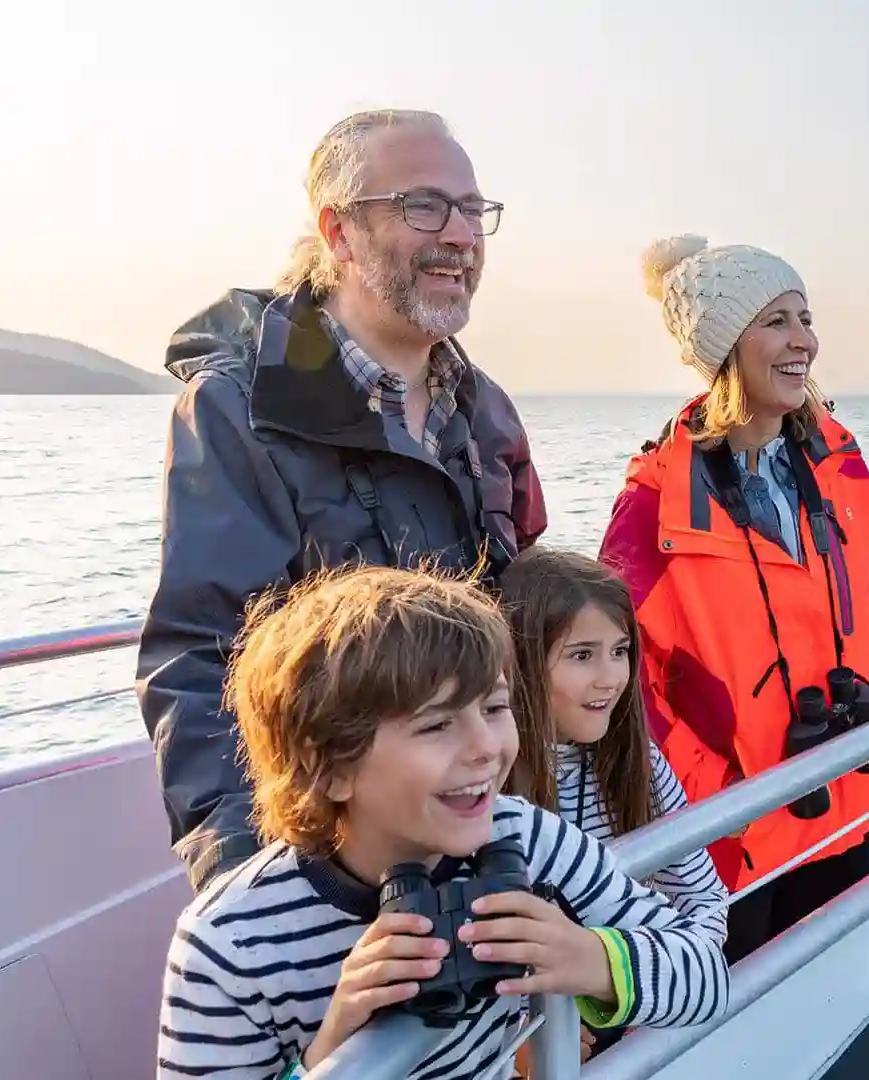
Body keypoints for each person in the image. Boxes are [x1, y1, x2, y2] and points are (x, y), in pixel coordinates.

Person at [136, 108, 547, 893]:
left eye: (472, 210)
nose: (460, 235)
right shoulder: (240, 411)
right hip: (343, 866)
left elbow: (524, 622)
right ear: (339, 231)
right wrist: (252, 883)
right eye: (424, 205)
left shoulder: (485, 410)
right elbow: (199, 659)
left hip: (486, 838)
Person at [599, 235, 869, 962]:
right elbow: (622, 673)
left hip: (847, 801)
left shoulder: (836, 459)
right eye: (778, 321)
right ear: (726, 347)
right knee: (728, 1023)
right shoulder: (654, 500)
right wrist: (715, 794)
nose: (806, 342)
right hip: (731, 841)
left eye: (806, 317)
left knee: (824, 988)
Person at [155, 565, 728, 1080]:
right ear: (326, 769)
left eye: (495, 708)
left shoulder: (522, 836)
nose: (487, 748)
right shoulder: (230, 943)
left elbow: (705, 975)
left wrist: (591, 958)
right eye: (436, 726)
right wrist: (331, 1055)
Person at [498, 547, 731, 1060]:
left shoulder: (639, 763)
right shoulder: (485, 784)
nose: (611, 677)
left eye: (620, 650)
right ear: (520, 662)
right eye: (582, 655)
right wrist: (514, 1036)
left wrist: (635, 999)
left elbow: (704, 900)